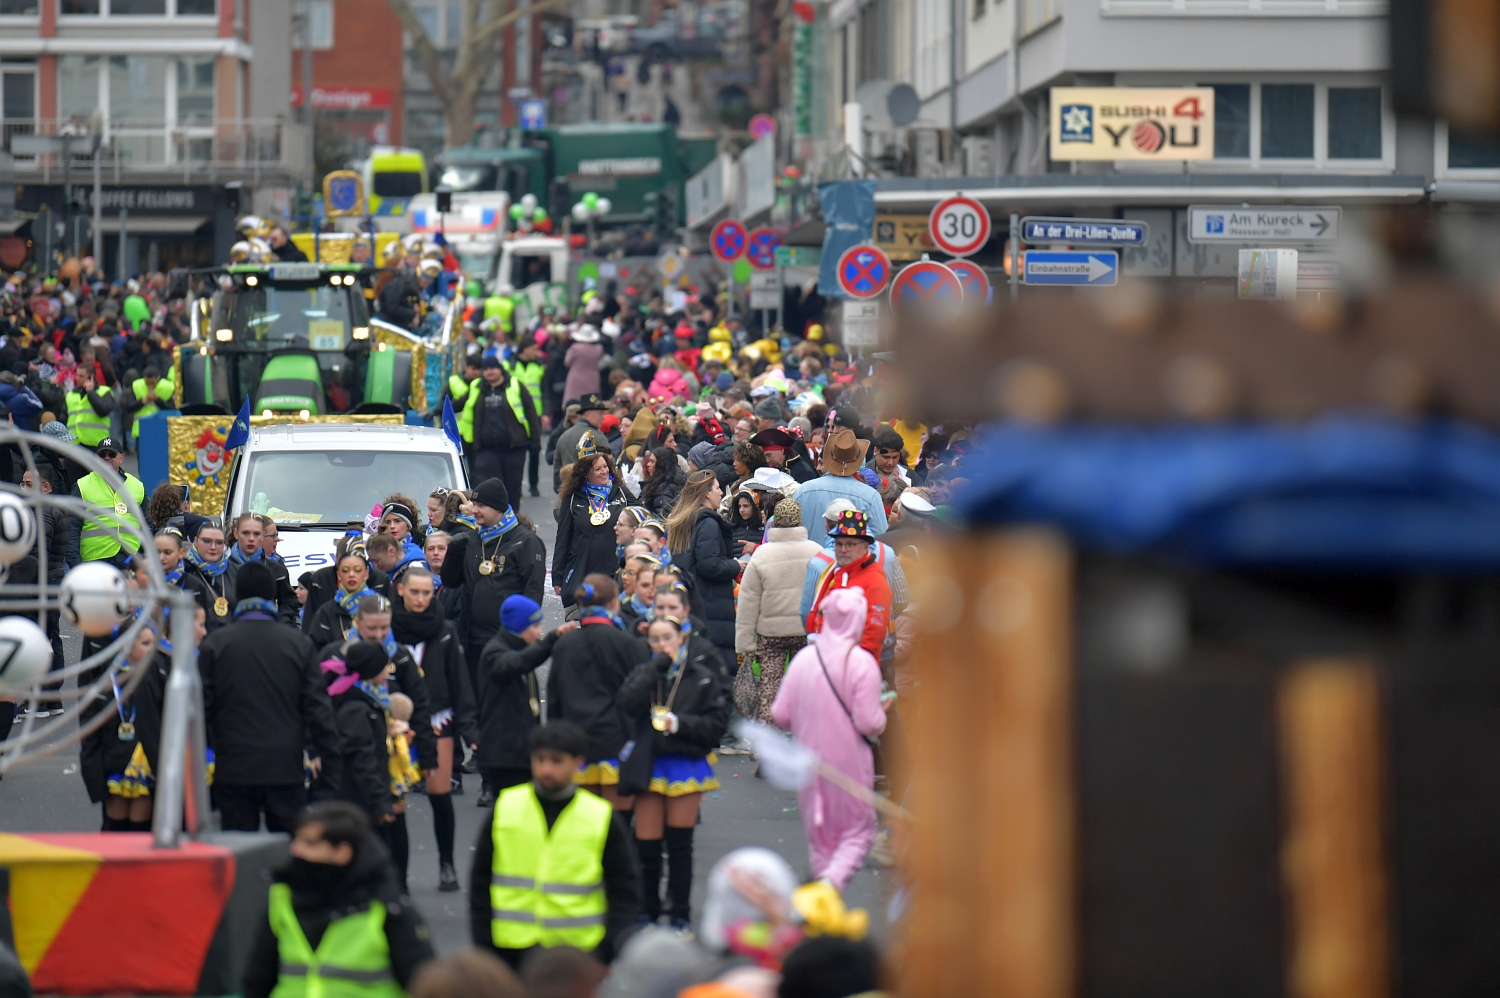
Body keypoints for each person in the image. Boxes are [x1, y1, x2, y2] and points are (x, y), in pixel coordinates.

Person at [468, 721, 639, 970]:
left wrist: (607, 951)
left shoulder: (600, 816)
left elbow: (624, 889)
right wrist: (484, 946)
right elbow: (480, 882)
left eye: (557, 761)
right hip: (510, 952)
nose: (546, 769)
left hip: (578, 954)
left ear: (578, 763)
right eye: (540, 760)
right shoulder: (505, 808)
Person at [201, 562, 343, 833]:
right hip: (285, 765)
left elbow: (202, 710)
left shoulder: (216, 645)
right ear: (272, 595)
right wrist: (325, 758)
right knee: (289, 844)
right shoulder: (297, 644)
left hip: (233, 765)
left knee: (239, 845)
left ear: (238, 594)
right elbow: (317, 707)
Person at [241, 801, 435, 998]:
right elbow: (258, 980)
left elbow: (425, 985)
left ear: (343, 852)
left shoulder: (387, 908)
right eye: (296, 840)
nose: (296, 850)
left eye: (310, 843)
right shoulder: (282, 898)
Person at [617, 615, 730, 930]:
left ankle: (680, 913)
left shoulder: (700, 676)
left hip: (684, 762)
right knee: (647, 845)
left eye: (668, 637)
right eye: (655, 639)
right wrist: (656, 666)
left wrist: (679, 724)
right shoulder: (645, 672)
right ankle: (647, 911)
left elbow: (715, 726)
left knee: (680, 845)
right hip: (648, 764)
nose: (662, 644)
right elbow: (626, 702)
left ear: (681, 637)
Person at [774, 587, 888, 890]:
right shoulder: (861, 662)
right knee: (857, 834)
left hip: (808, 762)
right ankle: (827, 888)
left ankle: (821, 903)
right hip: (849, 763)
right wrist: (882, 712)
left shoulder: (804, 659)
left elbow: (781, 714)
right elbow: (868, 722)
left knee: (820, 841)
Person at [392, 564, 475, 892]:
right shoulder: (388, 629)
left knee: (440, 794)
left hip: (438, 718)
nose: (420, 599)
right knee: (396, 802)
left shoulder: (445, 631)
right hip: (398, 723)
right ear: (401, 590)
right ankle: (398, 877)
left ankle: (447, 864)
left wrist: (471, 731)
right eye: (414, 592)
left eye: (426, 593)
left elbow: (459, 681)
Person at [439, 477, 547, 700]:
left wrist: (524, 633)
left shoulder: (525, 542)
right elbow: (450, 582)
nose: (474, 511)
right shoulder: (472, 539)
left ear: (498, 508)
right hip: (472, 640)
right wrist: (454, 554)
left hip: (507, 640)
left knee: (505, 701)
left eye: (481, 506)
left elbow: (533, 592)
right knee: (476, 701)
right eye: (474, 505)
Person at [546, 575, 643, 810]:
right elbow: (638, 694)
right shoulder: (625, 642)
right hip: (616, 740)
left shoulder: (565, 644)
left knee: (584, 816)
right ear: (614, 602)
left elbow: (554, 697)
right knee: (616, 819)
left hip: (576, 740)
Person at [474, 595, 577, 805]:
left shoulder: (519, 649)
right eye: (535, 626)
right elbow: (517, 663)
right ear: (519, 626)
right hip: (504, 756)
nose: (539, 632)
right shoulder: (495, 652)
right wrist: (551, 639)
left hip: (521, 752)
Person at [734, 499, 823, 725]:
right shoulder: (816, 552)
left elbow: (748, 600)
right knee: (805, 688)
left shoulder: (762, 554)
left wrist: (745, 643)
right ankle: (807, 736)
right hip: (806, 631)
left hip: (771, 633)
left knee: (770, 688)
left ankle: (767, 737)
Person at [78, 625, 166, 831]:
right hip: (115, 762)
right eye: (145, 644)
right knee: (116, 829)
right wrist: (94, 773)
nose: (151, 650)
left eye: (153, 644)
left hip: (146, 762)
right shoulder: (106, 682)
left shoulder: (158, 676)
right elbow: (91, 731)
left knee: (140, 829)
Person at [318, 640, 398, 833]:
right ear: (372, 669)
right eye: (384, 666)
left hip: (360, 798)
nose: (387, 670)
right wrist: (379, 802)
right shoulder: (357, 709)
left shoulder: (364, 700)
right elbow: (363, 758)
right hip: (358, 801)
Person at [662, 469, 739, 662]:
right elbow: (709, 565)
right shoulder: (708, 524)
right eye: (717, 488)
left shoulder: (683, 521)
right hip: (711, 604)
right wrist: (735, 565)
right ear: (707, 494)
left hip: (691, 599)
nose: (721, 492)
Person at [553, 441, 632, 611]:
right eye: (597, 469)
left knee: (614, 614)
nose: (604, 471)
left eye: (605, 466)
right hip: (584, 568)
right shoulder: (572, 498)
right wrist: (557, 576)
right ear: (585, 474)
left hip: (614, 567)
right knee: (588, 615)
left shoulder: (621, 493)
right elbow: (563, 538)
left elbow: (641, 517)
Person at [806, 510, 892, 663]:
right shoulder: (837, 571)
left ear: (865, 546)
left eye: (850, 544)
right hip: (828, 659)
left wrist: (849, 664)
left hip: (855, 666)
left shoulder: (874, 580)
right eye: (839, 544)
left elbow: (873, 634)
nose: (843, 549)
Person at [459, 355, 540, 511]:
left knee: (513, 488)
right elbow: (460, 403)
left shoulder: (515, 385)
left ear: (500, 369)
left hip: (514, 448)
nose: (489, 372)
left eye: (493, 368)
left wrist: (535, 440)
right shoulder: (477, 386)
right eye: (486, 369)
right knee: (489, 490)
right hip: (486, 449)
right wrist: (440, 408)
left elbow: (531, 412)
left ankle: (513, 518)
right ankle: (492, 520)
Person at [791, 427, 888, 548]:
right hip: (851, 559)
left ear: (830, 457)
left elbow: (790, 532)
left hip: (810, 558)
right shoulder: (870, 496)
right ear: (857, 460)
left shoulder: (804, 491)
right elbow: (881, 540)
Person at [69, 437, 145, 569]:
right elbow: (72, 528)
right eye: (102, 455)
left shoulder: (137, 486)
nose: (107, 458)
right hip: (95, 560)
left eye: (112, 454)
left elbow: (148, 524)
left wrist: (144, 556)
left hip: (130, 559)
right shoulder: (82, 485)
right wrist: (76, 564)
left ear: (121, 458)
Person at [306, 545, 380, 648]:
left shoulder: (380, 606)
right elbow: (315, 649)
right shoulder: (326, 612)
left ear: (366, 574)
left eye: (357, 570)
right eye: (345, 570)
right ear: (338, 575)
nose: (351, 574)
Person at [504, 337, 547, 497]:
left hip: (535, 413)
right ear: (525, 349)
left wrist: (546, 412)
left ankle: (533, 484)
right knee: (518, 450)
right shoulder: (509, 365)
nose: (537, 353)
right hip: (516, 413)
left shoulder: (539, 366)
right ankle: (515, 484)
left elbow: (544, 389)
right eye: (534, 349)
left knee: (535, 449)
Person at [182, 517, 237, 633]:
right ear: (196, 541)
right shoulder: (183, 571)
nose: (213, 547)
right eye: (206, 541)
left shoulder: (236, 572)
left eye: (219, 543)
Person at [552, 394, 610, 481]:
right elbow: (610, 467)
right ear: (587, 415)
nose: (603, 418)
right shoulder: (598, 437)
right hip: (593, 487)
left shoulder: (564, 436)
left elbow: (557, 467)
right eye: (600, 414)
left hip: (567, 486)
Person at [64, 363, 115, 448]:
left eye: (81, 376)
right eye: (77, 375)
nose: (77, 378)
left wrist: (90, 392)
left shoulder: (104, 392)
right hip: (74, 444)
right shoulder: (70, 395)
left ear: (91, 377)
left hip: (96, 444)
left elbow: (104, 410)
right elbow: (63, 419)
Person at [636, 445, 684, 519]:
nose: (648, 464)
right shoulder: (655, 483)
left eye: (652, 461)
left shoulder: (667, 487)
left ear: (661, 465)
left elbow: (663, 517)